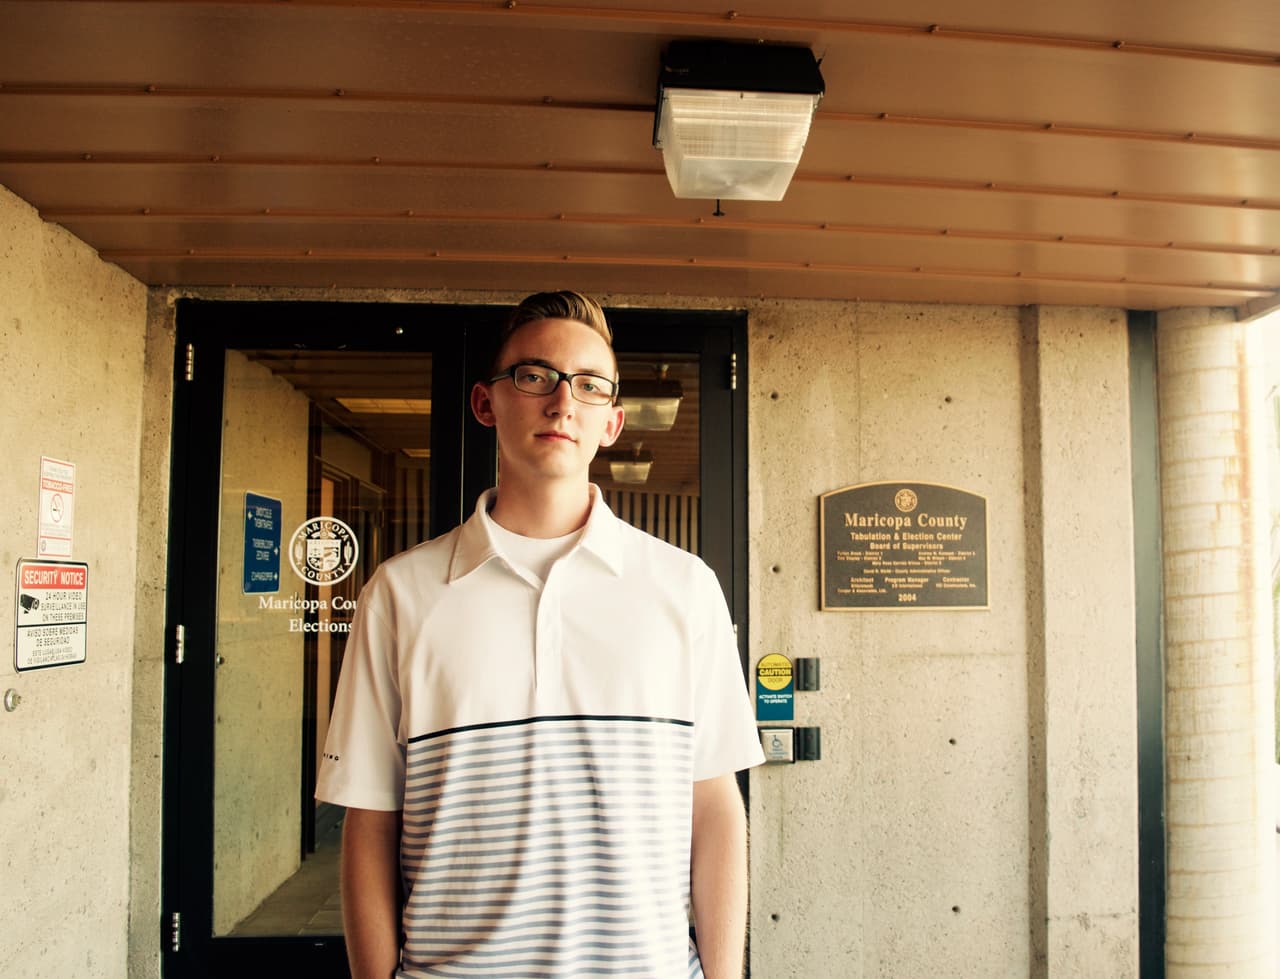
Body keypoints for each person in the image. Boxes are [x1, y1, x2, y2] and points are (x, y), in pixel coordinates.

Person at [316, 290, 764, 979]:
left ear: (611, 421)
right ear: (485, 402)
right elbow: (370, 823)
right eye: (535, 376)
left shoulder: (684, 587)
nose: (562, 403)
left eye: (589, 386)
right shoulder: (399, 595)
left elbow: (714, 809)